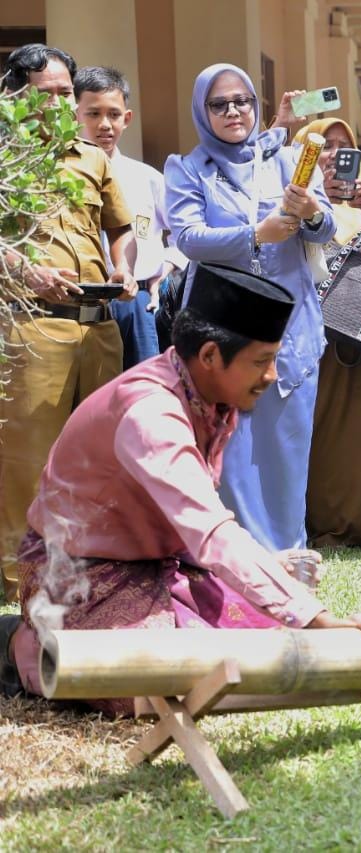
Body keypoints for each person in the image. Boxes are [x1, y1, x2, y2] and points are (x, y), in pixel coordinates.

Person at [0, 263, 361, 716]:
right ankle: (21, 645)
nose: (273, 375)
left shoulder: (205, 392)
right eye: (261, 361)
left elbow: (195, 527)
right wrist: (322, 621)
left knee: (262, 648)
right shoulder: (151, 413)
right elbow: (210, 532)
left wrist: (281, 588)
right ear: (211, 356)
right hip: (77, 573)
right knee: (159, 686)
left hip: (157, 566)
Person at [165, 63, 336, 552]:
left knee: (286, 449)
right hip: (223, 328)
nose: (233, 111)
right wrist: (253, 236)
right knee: (230, 450)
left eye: (241, 100)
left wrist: (311, 213)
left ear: (255, 105)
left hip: (289, 326)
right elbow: (188, 237)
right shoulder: (188, 168)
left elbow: (326, 230)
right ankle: (235, 564)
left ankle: (288, 560)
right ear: (203, 111)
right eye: (219, 104)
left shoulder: (286, 160)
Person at [0, 44, 137, 602]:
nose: (58, 104)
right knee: (27, 459)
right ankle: (18, 583)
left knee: (99, 457)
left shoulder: (92, 157)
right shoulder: (7, 163)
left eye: (64, 94)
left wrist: (124, 264)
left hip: (100, 327)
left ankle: (89, 572)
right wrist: (26, 271)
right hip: (35, 329)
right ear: (15, 96)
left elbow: (120, 228)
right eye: (45, 94)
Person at [294, 118, 361, 549]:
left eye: (343, 146)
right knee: (307, 432)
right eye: (323, 145)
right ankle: (301, 523)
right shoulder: (289, 194)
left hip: (354, 346)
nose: (333, 154)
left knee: (351, 438)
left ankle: (353, 525)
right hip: (302, 337)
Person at [74, 66, 186, 369]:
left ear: (128, 118)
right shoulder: (63, 180)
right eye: (93, 114)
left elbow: (183, 234)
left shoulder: (146, 178)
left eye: (113, 114)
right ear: (75, 116)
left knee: (141, 392)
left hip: (136, 303)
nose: (104, 124)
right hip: (80, 302)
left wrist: (166, 268)